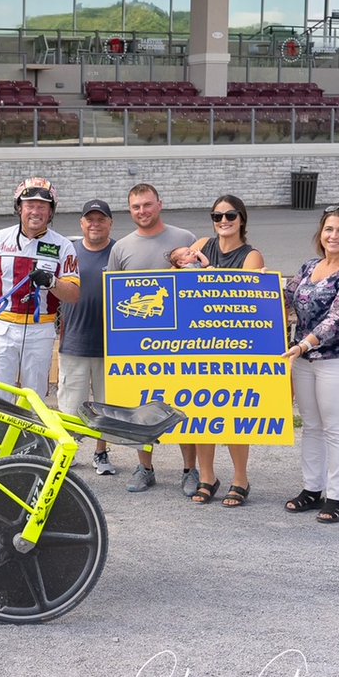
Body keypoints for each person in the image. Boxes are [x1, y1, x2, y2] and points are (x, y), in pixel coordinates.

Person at [107, 183, 200, 495]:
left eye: (147, 205)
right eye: (135, 207)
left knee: (184, 404)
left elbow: (200, 283)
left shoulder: (185, 238)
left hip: (180, 341)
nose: (142, 212)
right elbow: (114, 297)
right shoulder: (121, 248)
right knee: (141, 407)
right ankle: (145, 468)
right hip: (138, 341)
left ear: (160, 204)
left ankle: (190, 470)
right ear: (129, 210)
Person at [281, 206, 339, 524]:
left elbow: (338, 318)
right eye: (329, 229)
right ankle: (312, 489)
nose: (334, 235)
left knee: (335, 428)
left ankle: (338, 496)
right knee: (312, 426)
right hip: (304, 359)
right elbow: (286, 297)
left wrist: (305, 343)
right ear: (321, 234)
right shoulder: (309, 266)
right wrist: (260, 284)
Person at [0, 176, 80, 400]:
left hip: (40, 331)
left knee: (34, 398)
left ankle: (30, 436)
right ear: (19, 208)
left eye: (42, 206)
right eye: (30, 206)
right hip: (2, 328)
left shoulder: (64, 246)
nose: (35, 212)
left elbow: (74, 295)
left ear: (51, 212)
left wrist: (52, 282)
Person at [186, 195, 266, 507]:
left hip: (234, 346)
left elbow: (242, 296)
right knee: (202, 413)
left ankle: (240, 478)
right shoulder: (203, 244)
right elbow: (176, 273)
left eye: (230, 215)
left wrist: (205, 274)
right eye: (217, 216)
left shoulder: (251, 256)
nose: (223, 221)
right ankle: (207, 477)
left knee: (233, 414)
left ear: (241, 219)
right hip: (200, 343)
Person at [58, 198, 117, 476]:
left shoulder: (120, 252)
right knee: (70, 405)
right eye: (90, 219)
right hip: (74, 342)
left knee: (105, 406)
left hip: (111, 346)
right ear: (81, 223)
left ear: (110, 223)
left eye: (101, 219)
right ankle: (66, 451)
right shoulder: (68, 253)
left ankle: (101, 452)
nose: (95, 224)